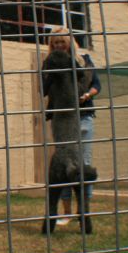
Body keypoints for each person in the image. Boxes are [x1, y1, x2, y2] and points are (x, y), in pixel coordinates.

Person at [41, 26, 101, 226]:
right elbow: (43, 88)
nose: (59, 45)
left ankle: (83, 211)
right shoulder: (50, 63)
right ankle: (66, 212)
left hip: (83, 115)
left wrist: (87, 95)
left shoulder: (83, 60)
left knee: (83, 162)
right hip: (62, 118)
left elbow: (96, 84)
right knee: (63, 162)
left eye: (62, 42)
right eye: (55, 43)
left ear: (69, 42)